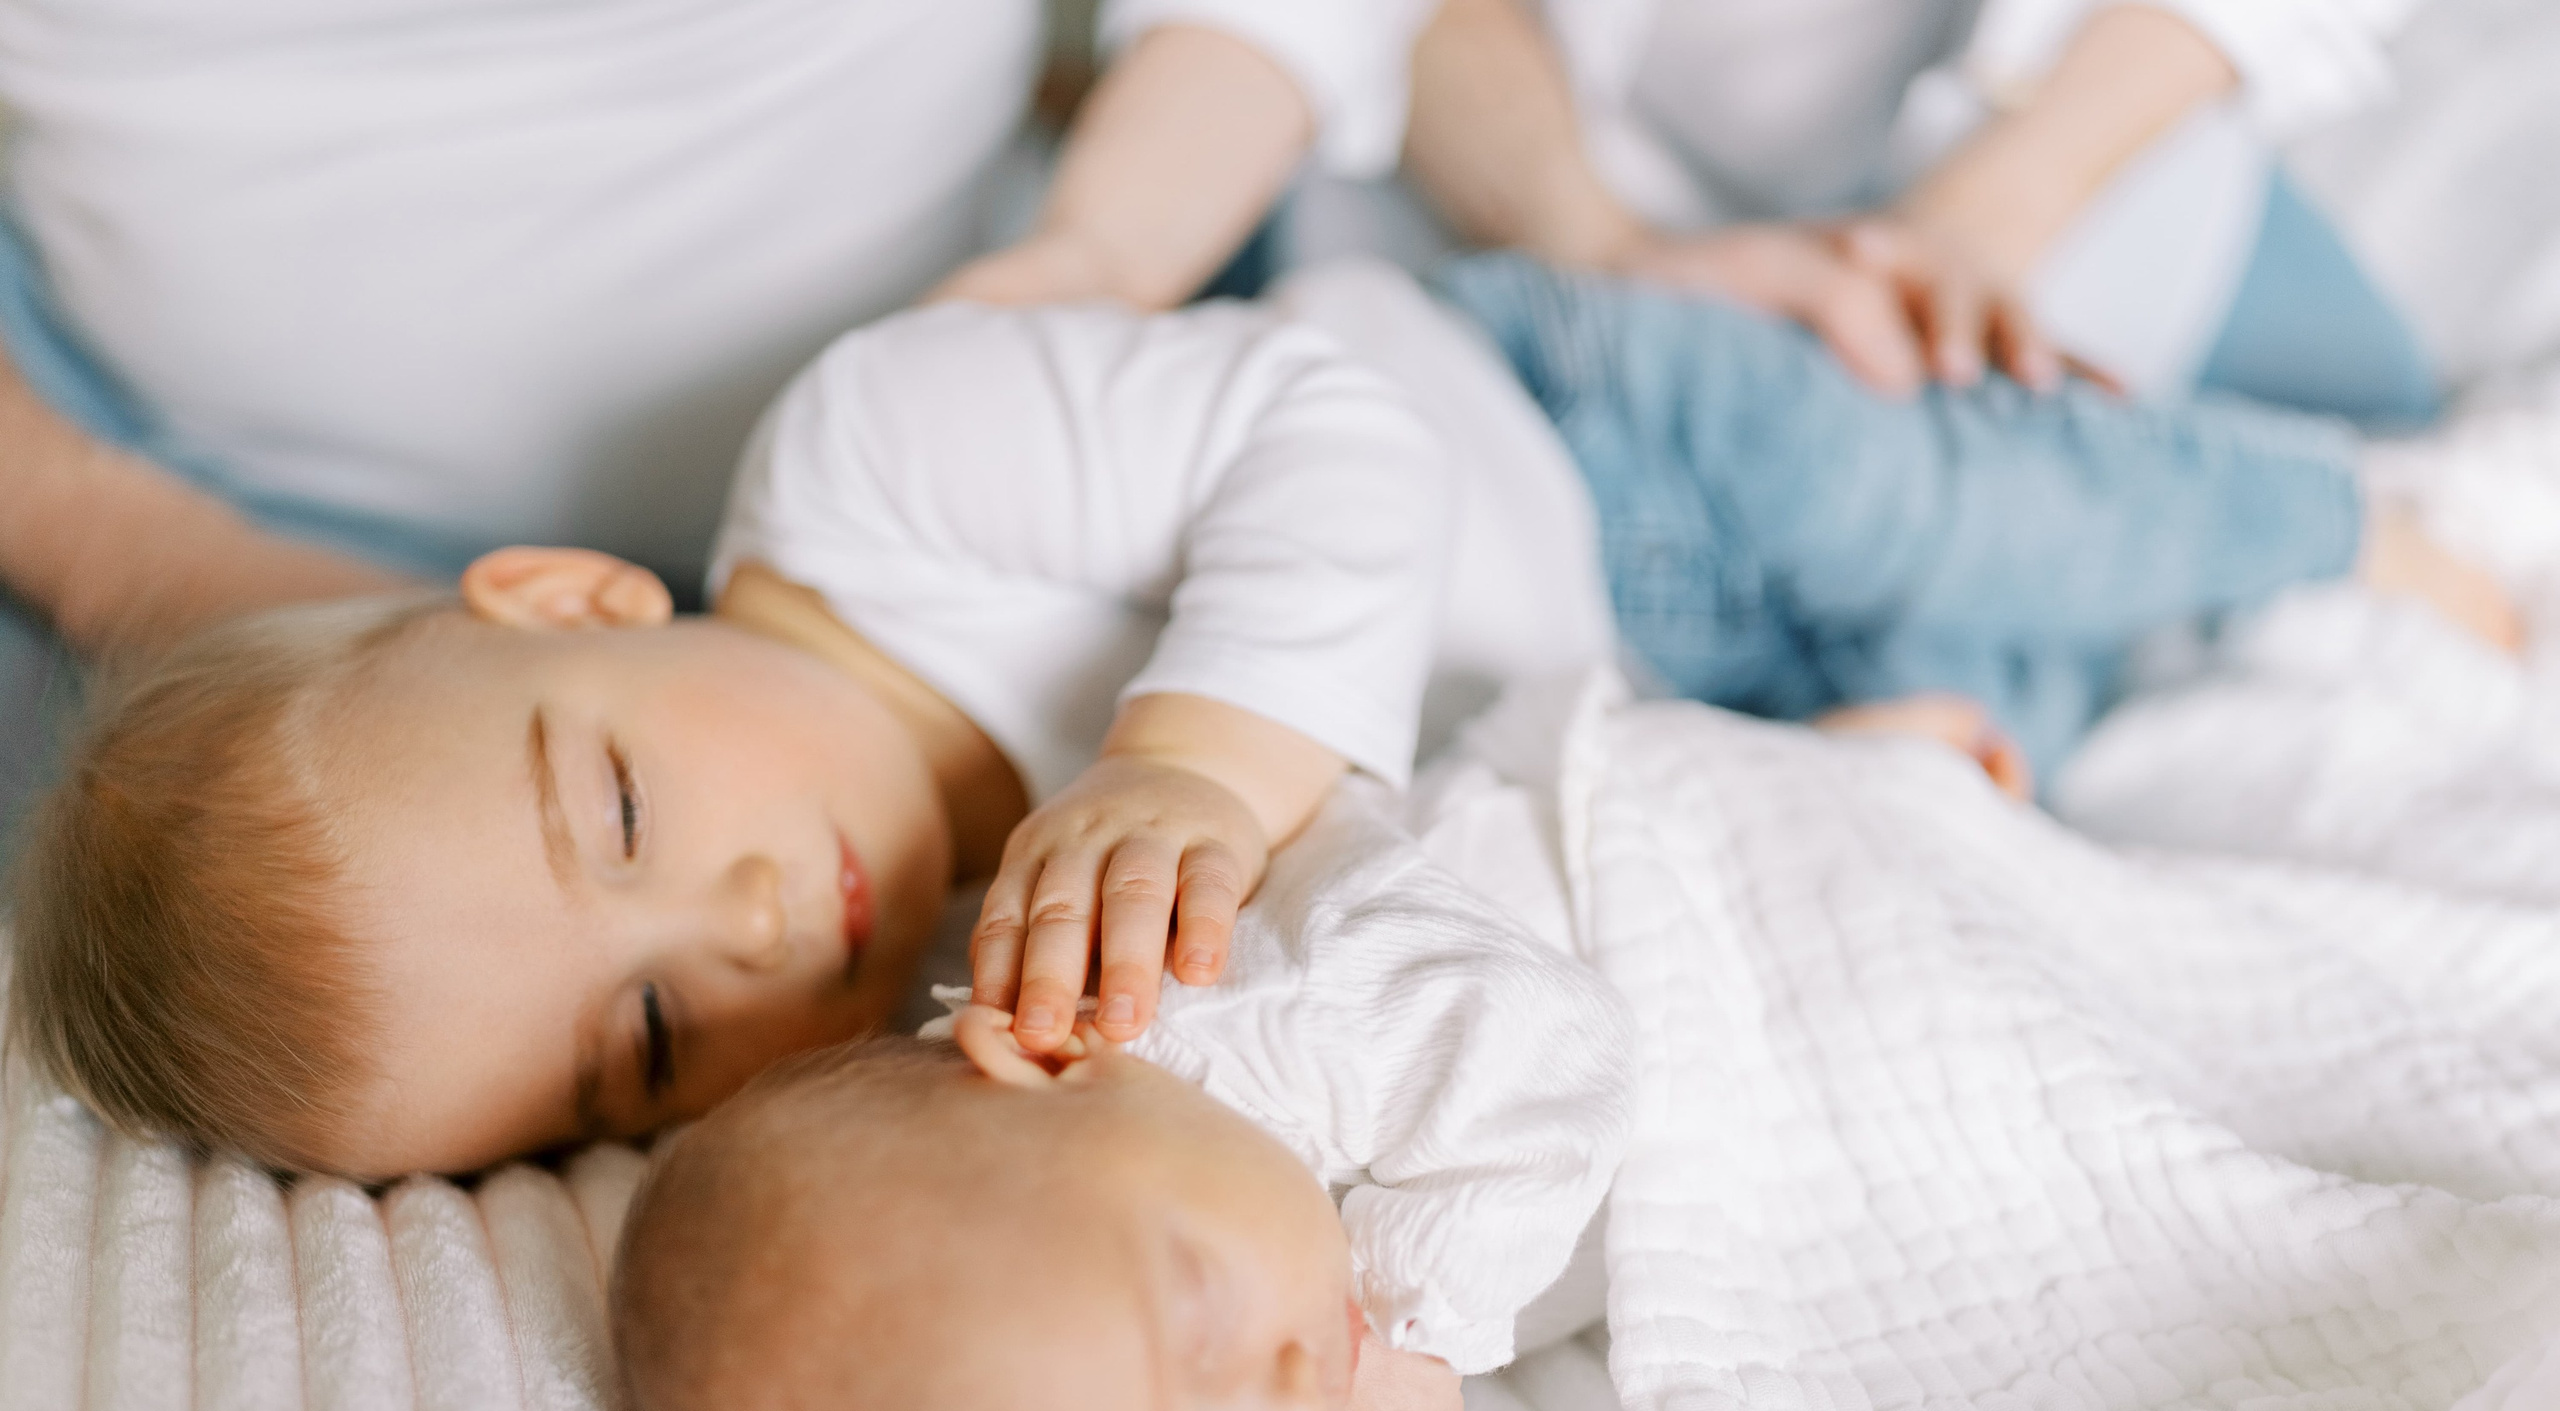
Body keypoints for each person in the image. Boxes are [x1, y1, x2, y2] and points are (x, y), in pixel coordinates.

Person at [6, 256, 2514, 1179]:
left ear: (573, 595)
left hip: (1594, 442)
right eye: (640, 1039)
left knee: (1948, 512)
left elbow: (1320, 427)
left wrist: (1190, 760)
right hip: (1627, 692)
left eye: (628, 803)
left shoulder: (879, 462)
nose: (748, 917)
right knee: (1952, 766)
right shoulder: (941, 1000)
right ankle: (1943, 718)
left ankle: (2324, 521)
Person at [0, 0, 1437, 822]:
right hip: (140, 506)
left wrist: (1097, 262)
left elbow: (1341, 456)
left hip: (1026, 394)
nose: (755, 925)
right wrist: (104, 543)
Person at [611, 772, 1638, 1411]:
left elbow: (1557, 1051)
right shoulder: (1134, 1217)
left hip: (1663, 864)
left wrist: (1418, 1333)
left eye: (1198, 1306)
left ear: (1050, 1056)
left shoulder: (1242, 1001)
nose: (1289, 1403)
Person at [1371, 0, 2440, 424]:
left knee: (2415, 429)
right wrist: (1608, 252)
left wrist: (1974, 225)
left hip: (2129, 166)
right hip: (1584, 216)